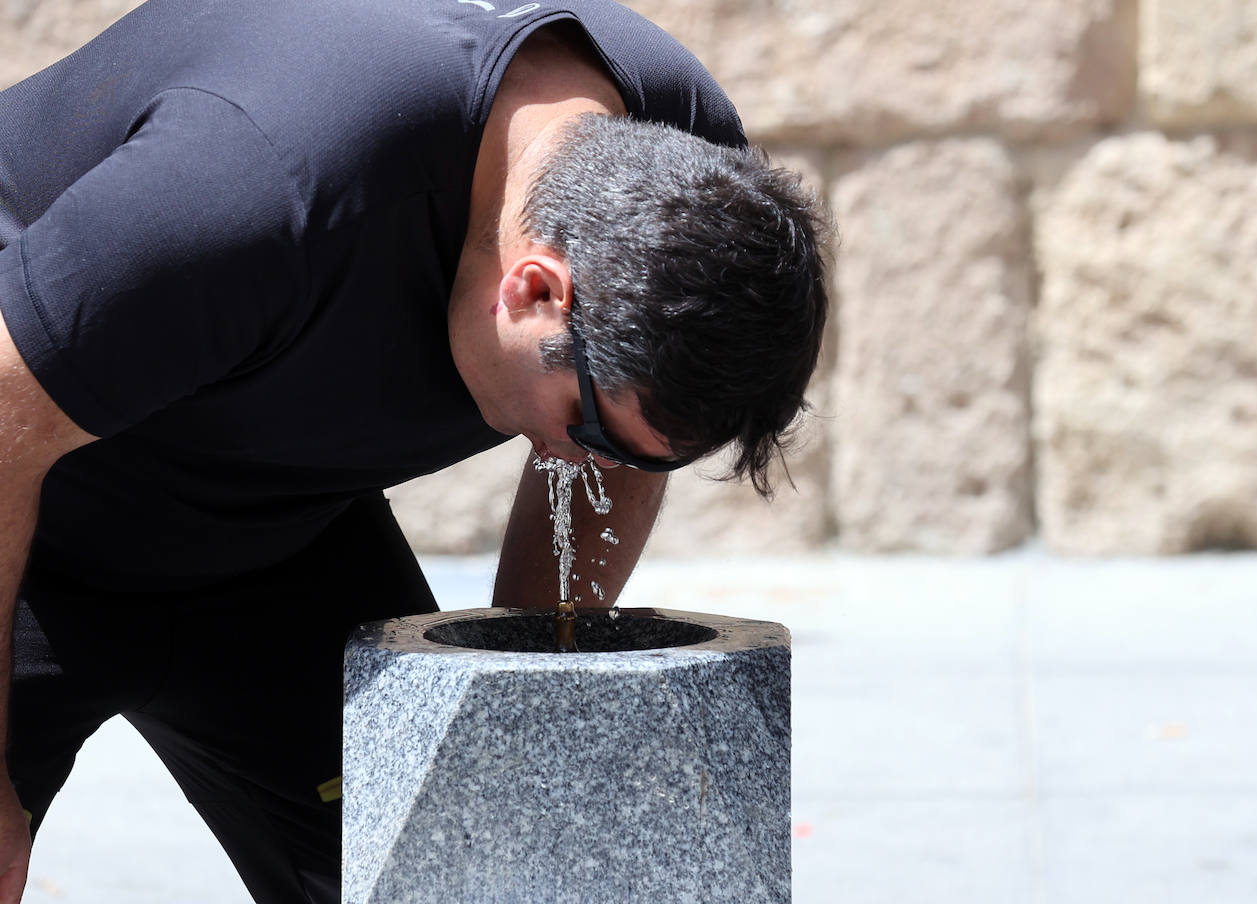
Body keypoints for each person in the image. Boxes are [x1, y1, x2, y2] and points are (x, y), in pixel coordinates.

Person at [0, 0, 830, 900]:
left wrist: (520, 710)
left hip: (279, 539)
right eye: (588, 430)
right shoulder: (263, 183)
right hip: (25, 513)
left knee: (464, 877)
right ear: (535, 289)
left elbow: (623, 437)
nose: (593, 465)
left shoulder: (687, 180)